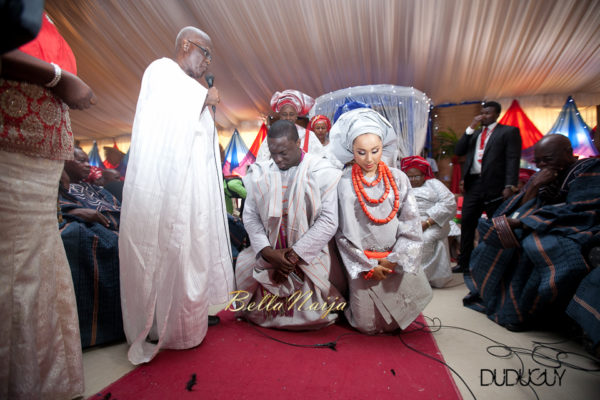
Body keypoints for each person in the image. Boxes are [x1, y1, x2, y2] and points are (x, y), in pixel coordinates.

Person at [119, 26, 234, 365]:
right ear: (187, 46)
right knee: (171, 253)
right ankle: (162, 330)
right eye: (205, 53)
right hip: (169, 190)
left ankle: (189, 324)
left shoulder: (190, 87)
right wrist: (204, 97)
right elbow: (164, 120)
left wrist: (202, 98)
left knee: (193, 252)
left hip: (195, 191)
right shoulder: (162, 71)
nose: (207, 62)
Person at [0, 13, 95, 399]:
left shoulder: (45, 13)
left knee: (37, 274)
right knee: (15, 274)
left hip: (39, 165)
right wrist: (60, 78)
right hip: (13, 147)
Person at [463, 134, 600, 332]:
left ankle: (520, 313)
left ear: (568, 152)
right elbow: (521, 206)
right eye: (539, 161)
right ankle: (496, 298)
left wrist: (524, 223)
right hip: (536, 224)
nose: (543, 165)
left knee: (534, 246)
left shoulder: (587, 169)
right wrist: (535, 186)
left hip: (574, 227)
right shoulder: (540, 176)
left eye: (548, 159)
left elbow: (580, 210)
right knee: (493, 238)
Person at [234, 120, 345, 329]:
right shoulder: (260, 172)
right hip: (270, 251)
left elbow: (329, 220)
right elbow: (250, 216)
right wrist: (268, 253)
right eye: (272, 152)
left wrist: (292, 257)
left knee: (314, 315)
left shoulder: (321, 170)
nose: (277, 159)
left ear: (298, 143)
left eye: (283, 152)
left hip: (308, 252)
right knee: (245, 264)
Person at [331, 108, 432, 334]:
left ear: (383, 147)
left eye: (375, 151)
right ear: (351, 151)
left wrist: (395, 258)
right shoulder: (344, 183)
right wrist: (367, 265)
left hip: (393, 259)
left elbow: (411, 222)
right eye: (361, 152)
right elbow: (341, 231)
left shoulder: (398, 178)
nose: (369, 159)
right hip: (363, 262)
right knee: (367, 326)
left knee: (397, 322)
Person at [60, 148, 124, 348]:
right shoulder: (59, 188)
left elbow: (119, 208)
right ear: (63, 162)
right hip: (91, 227)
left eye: (88, 160)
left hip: (119, 224)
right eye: (80, 160)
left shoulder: (93, 188)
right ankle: (107, 327)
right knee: (105, 242)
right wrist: (78, 212)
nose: (88, 164)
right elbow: (57, 209)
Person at [453, 101, 521, 273]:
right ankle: (464, 263)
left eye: (488, 113)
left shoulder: (508, 132)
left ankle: (496, 263)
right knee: (467, 223)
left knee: (496, 224)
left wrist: (510, 185)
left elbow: (513, 159)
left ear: (497, 114)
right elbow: (459, 151)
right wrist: (471, 127)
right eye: (482, 113)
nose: (484, 116)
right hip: (473, 184)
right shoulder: (474, 134)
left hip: (495, 185)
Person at [401, 156, 456, 288]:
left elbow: (449, 202)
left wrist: (427, 222)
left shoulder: (434, 184)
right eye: (410, 177)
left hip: (435, 222)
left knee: (425, 239)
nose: (413, 180)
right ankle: (406, 277)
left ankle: (421, 280)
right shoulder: (402, 186)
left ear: (423, 174)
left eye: (417, 176)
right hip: (410, 222)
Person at [256, 89, 323, 160]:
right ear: (280, 116)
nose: (288, 118)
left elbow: (319, 160)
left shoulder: (309, 135)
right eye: (284, 114)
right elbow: (262, 161)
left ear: (296, 116)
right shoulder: (272, 135)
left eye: (291, 114)